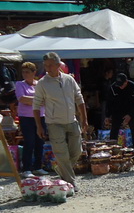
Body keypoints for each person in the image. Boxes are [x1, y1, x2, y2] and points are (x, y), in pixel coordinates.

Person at [33, 52, 88, 189]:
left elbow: (79, 98)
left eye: (50, 65)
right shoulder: (42, 83)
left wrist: (84, 119)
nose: (48, 68)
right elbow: (36, 106)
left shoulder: (69, 80)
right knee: (61, 153)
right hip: (54, 123)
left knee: (77, 151)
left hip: (72, 120)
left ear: (58, 65)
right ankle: (71, 182)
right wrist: (39, 126)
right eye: (46, 65)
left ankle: (61, 169)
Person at [15, 62, 48, 178]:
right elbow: (22, 98)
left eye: (27, 72)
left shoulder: (39, 84)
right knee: (29, 141)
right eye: (23, 72)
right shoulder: (20, 84)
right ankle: (27, 168)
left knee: (40, 141)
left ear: (34, 73)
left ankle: (38, 166)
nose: (25, 74)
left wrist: (33, 101)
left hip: (41, 115)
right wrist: (38, 100)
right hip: (26, 117)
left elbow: (46, 98)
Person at [107, 73, 134, 151]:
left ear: (126, 82)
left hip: (131, 111)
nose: (120, 87)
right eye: (118, 84)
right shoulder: (113, 88)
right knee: (114, 131)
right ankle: (112, 149)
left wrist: (130, 114)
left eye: (121, 84)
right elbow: (109, 103)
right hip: (117, 111)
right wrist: (107, 115)